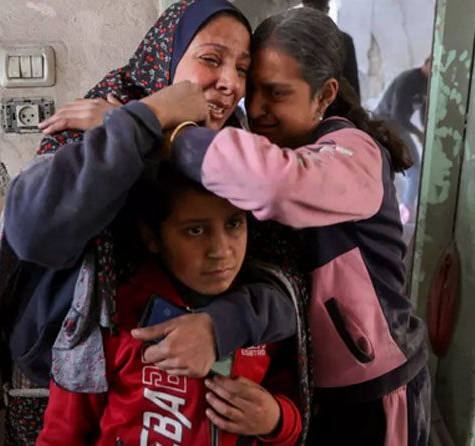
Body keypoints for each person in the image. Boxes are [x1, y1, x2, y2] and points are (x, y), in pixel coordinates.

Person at [0, 1, 310, 443]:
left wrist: (223, 327)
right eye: (211, 60)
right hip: (71, 383)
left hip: (200, 384)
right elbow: (32, 232)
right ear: (166, 57)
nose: (229, 84)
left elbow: (287, 283)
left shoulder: (238, 150)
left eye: (242, 68)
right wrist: (145, 118)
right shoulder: (108, 116)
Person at [158, 8, 430, 445]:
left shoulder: (355, 152)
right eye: (254, 90)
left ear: (325, 96)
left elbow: (276, 186)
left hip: (376, 389)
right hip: (319, 385)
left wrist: (170, 131)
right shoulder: (273, 142)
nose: (259, 109)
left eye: (277, 93)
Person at [35, 163, 303, 446]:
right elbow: (61, 435)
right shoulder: (113, 315)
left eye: (234, 224)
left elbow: (293, 413)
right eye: (196, 230)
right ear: (152, 237)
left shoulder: (263, 316)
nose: (221, 251)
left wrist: (276, 420)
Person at [374, 57, 431, 220]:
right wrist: (418, 133)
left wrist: (425, 128)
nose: (435, 71)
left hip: (397, 126)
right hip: (385, 124)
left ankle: (406, 209)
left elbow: (424, 110)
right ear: (426, 63)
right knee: (412, 168)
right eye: (433, 66)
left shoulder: (429, 83)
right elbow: (397, 115)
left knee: (413, 169)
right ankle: (404, 212)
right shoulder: (407, 79)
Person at [302, 0, 361, 99]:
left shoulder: (295, 40)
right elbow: (353, 92)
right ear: (327, 10)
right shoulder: (343, 40)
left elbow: (353, 91)